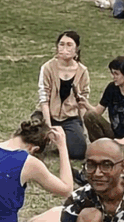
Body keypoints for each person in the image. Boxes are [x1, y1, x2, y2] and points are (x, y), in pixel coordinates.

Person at [38, 30, 90, 161]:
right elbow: (44, 100)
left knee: (78, 152)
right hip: (47, 114)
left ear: (76, 49)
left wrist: (84, 130)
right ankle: (51, 138)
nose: (64, 49)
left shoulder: (82, 71)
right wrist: (49, 127)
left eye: (69, 45)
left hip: (70, 118)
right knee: (33, 144)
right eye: (61, 44)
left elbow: (83, 102)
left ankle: (63, 141)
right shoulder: (47, 68)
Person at [83, 55, 124, 149]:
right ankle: (101, 148)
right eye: (112, 73)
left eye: (116, 74)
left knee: (118, 156)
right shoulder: (112, 88)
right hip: (114, 135)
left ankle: (107, 152)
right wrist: (84, 103)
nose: (113, 77)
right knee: (89, 116)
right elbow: (97, 112)